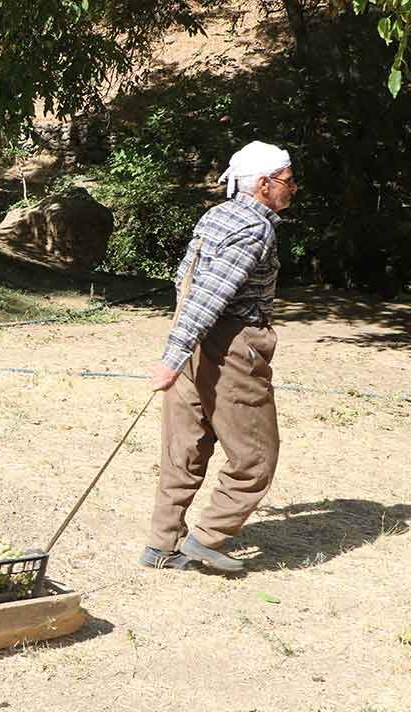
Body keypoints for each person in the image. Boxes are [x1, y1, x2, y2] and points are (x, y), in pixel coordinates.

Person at [139, 141, 298, 574]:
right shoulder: (254, 228)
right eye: (287, 180)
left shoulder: (216, 215)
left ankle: (162, 544)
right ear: (264, 185)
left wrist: (181, 350)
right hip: (230, 349)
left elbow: (184, 282)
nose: (293, 188)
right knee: (256, 458)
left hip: (194, 345)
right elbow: (209, 296)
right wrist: (172, 359)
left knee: (184, 447)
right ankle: (204, 541)